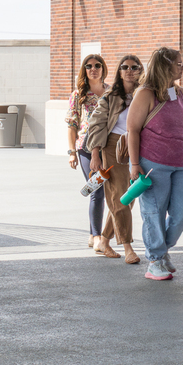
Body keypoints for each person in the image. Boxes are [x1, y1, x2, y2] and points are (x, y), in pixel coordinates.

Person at [126, 47, 183, 280]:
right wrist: (134, 163)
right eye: (179, 63)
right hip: (152, 163)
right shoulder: (145, 94)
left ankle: (161, 250)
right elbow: (132, 129)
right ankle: (155, 260)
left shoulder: (182, 94)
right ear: (165, 65)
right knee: (154, 212)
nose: (182, 67)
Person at [85, 54, 143, 264]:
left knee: (129, 197)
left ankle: (105, 241)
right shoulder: (111, 96)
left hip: (137, 146)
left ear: (140, 70)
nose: (129, 70)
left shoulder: (145, 94)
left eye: (134, 67)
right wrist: (95, 153)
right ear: (119, 71)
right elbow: (97, 124)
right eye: (125, 67)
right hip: (113, 147)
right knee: (119, 196)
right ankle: (128, 247)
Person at [65, 54, 110, 254]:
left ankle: (98, 234)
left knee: (112, 192)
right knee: (96, 189)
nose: (93, 69)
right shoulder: (78, 94)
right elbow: (72, 125)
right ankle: (97, 235)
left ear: (103, 68)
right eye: (89, 66)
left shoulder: (111, 92)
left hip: (109, 147)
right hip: (85, 148)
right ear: (84, 70)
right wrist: (72, 152)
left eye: (97, 65)